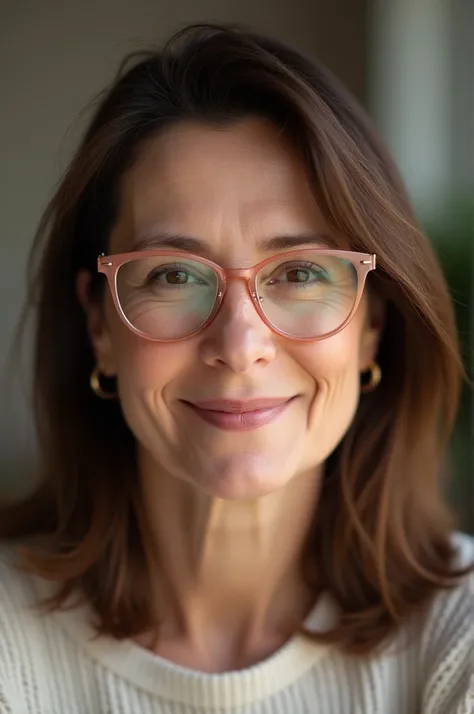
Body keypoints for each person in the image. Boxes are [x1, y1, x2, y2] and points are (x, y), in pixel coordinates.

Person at [0, 23, 472, 714]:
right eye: (171, 275)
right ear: (99, 324)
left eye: (302, 271)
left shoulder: (460, 638)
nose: (240, 341)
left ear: (372, 326)